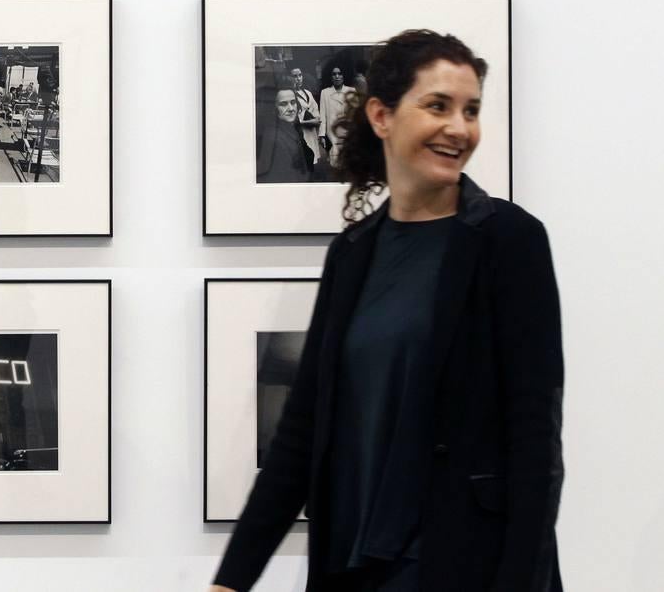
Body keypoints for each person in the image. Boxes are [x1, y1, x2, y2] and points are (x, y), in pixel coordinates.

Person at [211, 30, 564, 592]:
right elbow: (300, 435)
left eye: (471, 110)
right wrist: (231, 581)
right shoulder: (351, 256)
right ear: (381, 116)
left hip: (464, 565)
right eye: (438, 106)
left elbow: (534, 443)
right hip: (353, 565)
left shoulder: (508, 240)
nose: (459, 127)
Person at [256, 88, 312, 183]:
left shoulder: (292, 129)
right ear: (274, 108)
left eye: (293, 102)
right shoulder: (274, 138)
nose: (291, 108)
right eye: (283, 104)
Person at [318, 66, 356, 170]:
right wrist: (321, 135)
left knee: (348, 157)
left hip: (347, 131)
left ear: (343, 76)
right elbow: (323, 115)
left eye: (339, 73)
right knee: (335, 157)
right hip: (332, 131)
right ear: (331, 77)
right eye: (334, 74)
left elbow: (355, 114)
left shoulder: (351, 91)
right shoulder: (325, 93)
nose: (337, 76)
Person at [290, 67, 324, 171]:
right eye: (295, 76)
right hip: (299, 137)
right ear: (290, 78)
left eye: (300, 75)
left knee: (311, 163)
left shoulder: (307, 93)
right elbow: (292, 120)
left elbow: (317, 118)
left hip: (310, 134)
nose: (298, 79)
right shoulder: (289, 95)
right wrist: (307, 122)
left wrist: (302, 122)